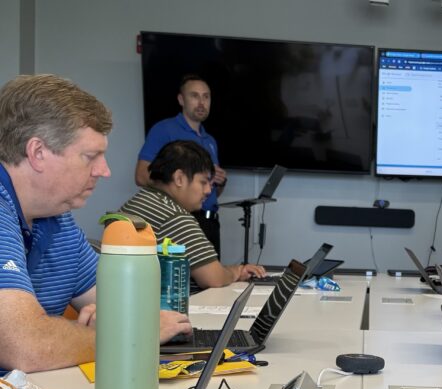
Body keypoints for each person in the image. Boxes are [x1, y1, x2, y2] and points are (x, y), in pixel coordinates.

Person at [0, 75, 191, 372]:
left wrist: (118, 320)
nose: (104, 170)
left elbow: (134, 306)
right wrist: (131, 334)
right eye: (91, 156)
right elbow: (25, 345)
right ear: (38, 153)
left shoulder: (57, 218)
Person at [121, 141, 266, 289]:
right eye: (203, 182)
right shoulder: (175, 216)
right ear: (179, 178)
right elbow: (214, 278)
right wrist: (238, 271)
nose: (208, 191)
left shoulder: (135, 203)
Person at [136, 74, 227, 256]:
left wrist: (220, 181)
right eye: (194, 96)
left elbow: (210, 193)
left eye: (206, 96)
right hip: (181, 220)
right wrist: (180, 181)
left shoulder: (210, 140)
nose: (201, 102)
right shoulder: (164, 129)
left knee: (211, 274)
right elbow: (141, 176)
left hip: (210, 223)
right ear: (181, 99)